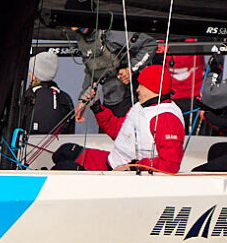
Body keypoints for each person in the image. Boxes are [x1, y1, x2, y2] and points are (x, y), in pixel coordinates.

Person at [58, 65, 186, 174]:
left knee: (63, 168)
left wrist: (136, 166)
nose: (137, 89)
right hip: (113, 163)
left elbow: (170, 164)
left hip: (124, 175)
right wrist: (97, 108)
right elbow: (119, 131)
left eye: (141, 85)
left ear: (152, 88)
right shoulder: (142, 106)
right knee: (66, 152)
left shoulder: (166, 117)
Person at [27, 51, 77, 140]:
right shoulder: (64, 98)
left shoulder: (27, 96)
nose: (29, 74)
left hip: (28, 144)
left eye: (31, 72)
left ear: (35, 75)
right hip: (58, 145)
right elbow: (69, 131)